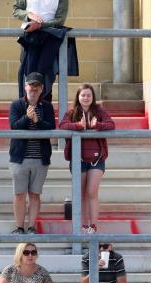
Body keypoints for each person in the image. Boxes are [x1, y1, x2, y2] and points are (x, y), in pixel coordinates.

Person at [59, 83, 116, 234]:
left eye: (88, 95)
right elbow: (62, 125)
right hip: (78, 159)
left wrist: (99, 125)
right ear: (78, 97)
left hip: (97, 159)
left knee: (92, 192)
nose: (85, 98)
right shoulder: (72, 112)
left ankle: (93, 226)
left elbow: (111, 124)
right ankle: (83, 226)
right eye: (83, 95)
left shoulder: (99, 111)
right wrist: (78, 125)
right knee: (81, 193)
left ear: (93, 97)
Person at [9, 72, 56, 235]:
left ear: (42, 89)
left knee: (35, 194)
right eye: (31, 85)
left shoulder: (47, 107)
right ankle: (19, 227)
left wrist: (37, 121)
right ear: (25, 86)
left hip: (40, 158)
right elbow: (14, 127)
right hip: (19, 159)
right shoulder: (16, 105)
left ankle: (31, 227)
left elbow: (51, 129)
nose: (33, 89)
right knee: (19, 194)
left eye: (37, 86)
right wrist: (27, 118)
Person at [13, 0, 70, 103]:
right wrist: (28, 14)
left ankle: (44, 111)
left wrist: (40, 25)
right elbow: (16, 10)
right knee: (27, 75)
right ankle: (26, 110)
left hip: (50, 40)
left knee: (46, 76)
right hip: (29, 38)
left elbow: (60, 20)